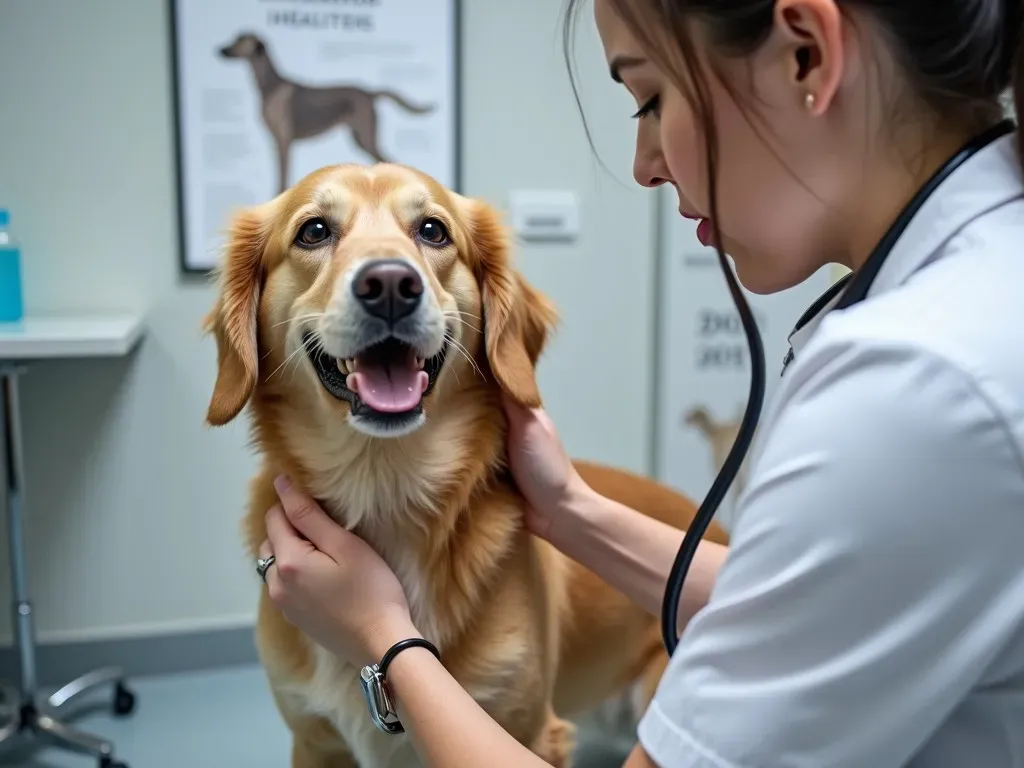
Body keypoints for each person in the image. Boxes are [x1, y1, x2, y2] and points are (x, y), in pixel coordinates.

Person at [257, 0, 1024, 765]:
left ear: (805, 57)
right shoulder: (970, 300)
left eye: (650, 98)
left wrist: (385, 641)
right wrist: (567, 511)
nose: (643, 165)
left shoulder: (917, 381)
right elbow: (830, 606)